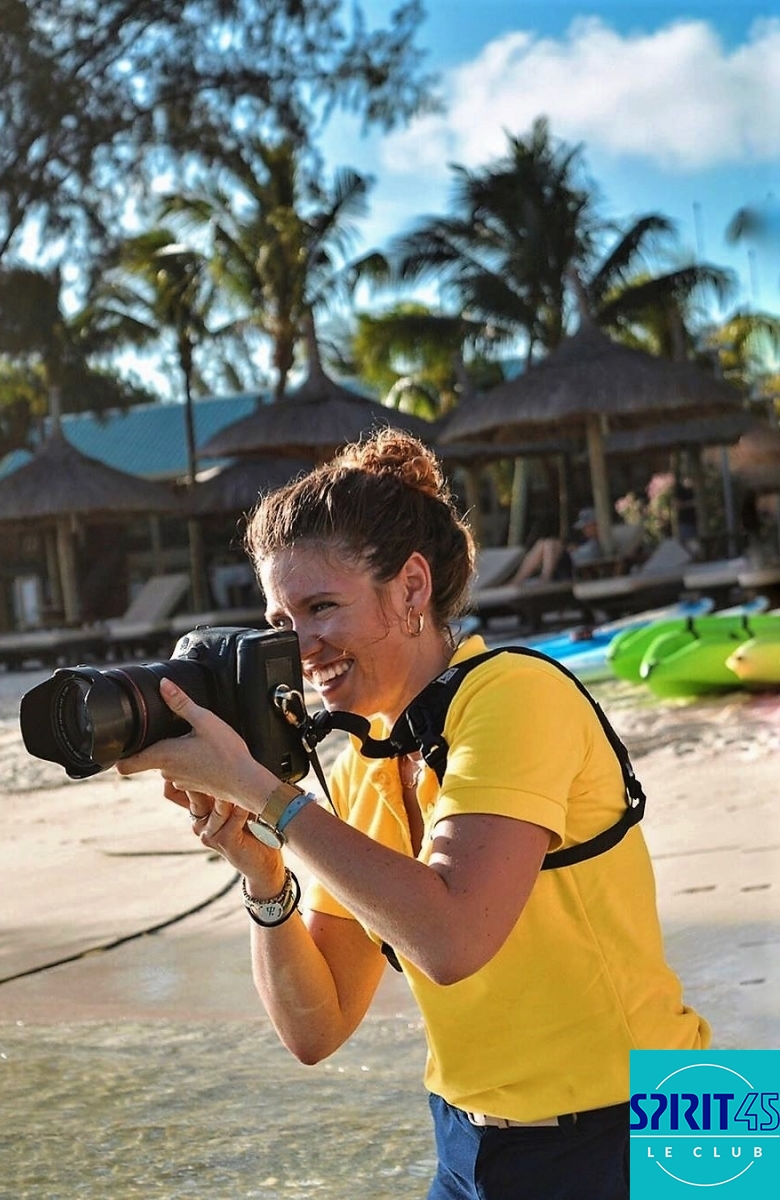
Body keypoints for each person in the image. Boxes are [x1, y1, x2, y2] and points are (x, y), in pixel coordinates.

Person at [116, 430, 709, 1200]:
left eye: (322, 607)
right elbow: (316, 1029)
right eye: (281, 621)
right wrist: (264, 879)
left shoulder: (516, 693)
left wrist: (264, 791)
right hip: (469, 1139)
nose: (300, 646)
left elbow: (452, 939)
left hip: (656, 1123)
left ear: (411, 590)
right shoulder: (363, 765)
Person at [508, 506, 602, 583]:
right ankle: (518, 580)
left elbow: (588, 556)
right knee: (542, 543)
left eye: (587, 526)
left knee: (551, 544)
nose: (584, 530)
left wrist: (572, 550)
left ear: (595, 524)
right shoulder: (585, 540)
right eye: (584, 527)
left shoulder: (600, 540)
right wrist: (571, 549)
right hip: (568, 565)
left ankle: (545, 578)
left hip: (577, 569)